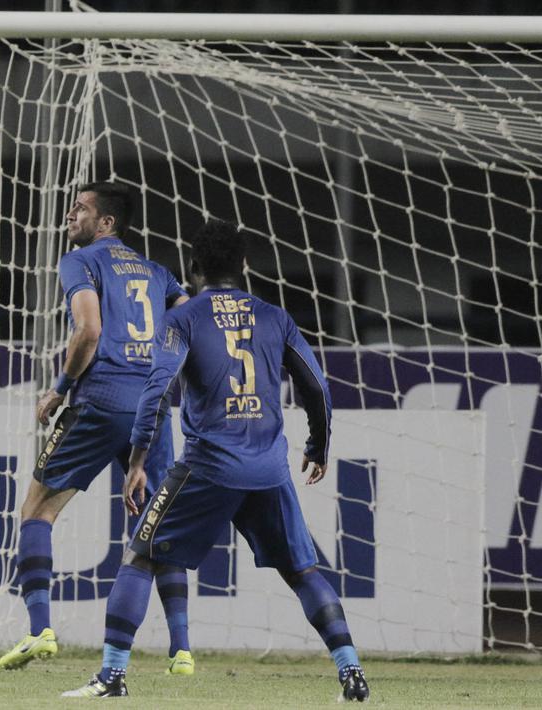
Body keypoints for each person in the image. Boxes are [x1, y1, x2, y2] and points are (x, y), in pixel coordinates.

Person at [62, 219, 369, 701]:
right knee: (304, 572)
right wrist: (318, 445)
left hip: (208, 467)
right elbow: (317, 387)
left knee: (140, 556)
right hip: (269, 469)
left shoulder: (183, 319)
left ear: (194, 267)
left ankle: (112, 676)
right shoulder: (274, 316)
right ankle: (351, 671)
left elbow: (158, 387)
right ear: (243, 266)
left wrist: (139, 457)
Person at [0, 183, 194, 674]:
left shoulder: (79, 261)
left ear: (105, 223)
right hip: (152, 405)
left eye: (81, 208)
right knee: (158, 524)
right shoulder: (157, 272)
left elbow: (88, 330)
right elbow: (190, 321)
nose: (71, 213)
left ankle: (40, 629)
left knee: (37, 509)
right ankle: (182, 649)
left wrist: (59, 388)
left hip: (102, 398)